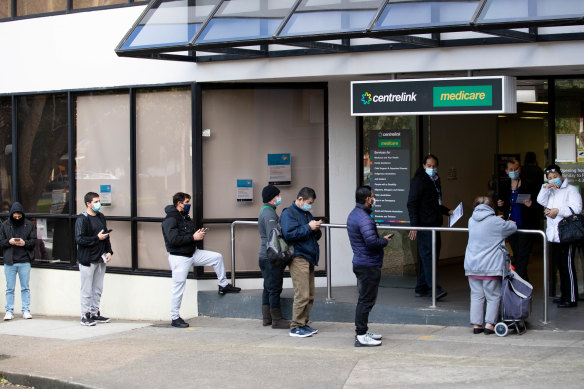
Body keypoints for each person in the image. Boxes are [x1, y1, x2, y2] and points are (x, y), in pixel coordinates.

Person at [162, 192, 241, 328]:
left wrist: (198, 234)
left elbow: (187, 234)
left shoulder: (184, 217)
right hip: (179, 257)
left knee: (217, 257)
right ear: (179, 203)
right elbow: (173, 240)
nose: (189, 204)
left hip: (192, 253)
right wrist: (193, 237)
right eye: (187, 202)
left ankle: (223, 285)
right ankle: (175, 318)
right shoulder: (171, 219)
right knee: (178, 288)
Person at [347, 186, 392, 347]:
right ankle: (360, 335)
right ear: (367, 199)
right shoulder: (364, 218)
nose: (373, 199)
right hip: (368, 265)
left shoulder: (354, 214)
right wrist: (385, 241)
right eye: (372, 196)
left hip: (362, 262)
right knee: (366, 300)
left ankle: (363, 330)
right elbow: (372, 242)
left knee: (365, 299)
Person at [465, 196, 517, 335]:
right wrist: (505, 221)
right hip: (490, 266)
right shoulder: (496, 222)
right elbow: (512, 227)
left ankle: (477, 325)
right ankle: (489, 325)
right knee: (493, 296)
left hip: (472, 265)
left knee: (476, 295)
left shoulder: (471, 220)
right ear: (492, 207)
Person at [407, 154, 452, 300]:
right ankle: (434, 289)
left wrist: (446, 211)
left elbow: (435, 202)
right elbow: (412, 204)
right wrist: (414, 226)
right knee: (428, 257)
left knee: (432, 256)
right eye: (429, 166)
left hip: (434, 223)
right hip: (424, 225)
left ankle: (421, 287)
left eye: (434, 166)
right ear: (424, 166)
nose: (432, 169)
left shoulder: (435, 180)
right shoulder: (419, 181)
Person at [537, 164, 582, 308]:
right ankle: (564, 295)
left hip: (566, 233)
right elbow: (540, 201)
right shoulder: (550, 191)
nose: (553, 180)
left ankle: (571, 298)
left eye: (555, 177)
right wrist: (546, 188)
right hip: (554, 235)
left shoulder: (571, 190)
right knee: (560, 267)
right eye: (549, 178)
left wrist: (557, 210)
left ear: (561, 176)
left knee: (567, 266)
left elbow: (577, 209)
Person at [281, 187, 322, 338]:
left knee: (310, 294)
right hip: (298, 257)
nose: (310, 205)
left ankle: (304, 323)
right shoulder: (288, 213)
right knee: (302, 294)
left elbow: (311, 235)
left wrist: (316, 229)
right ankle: (296, 326)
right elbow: (289, 234)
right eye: (308, 202)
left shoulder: (306, 213)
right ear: (300, 199)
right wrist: (308, 227)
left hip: (309, 257)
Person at [496, 158, 541, 281]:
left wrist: (531, 204)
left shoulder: (529, 185)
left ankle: (518, 282)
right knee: (516, 253)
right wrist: (499, 204)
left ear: (520, 169)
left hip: (526, 224)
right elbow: (501, 203)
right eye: (511, 169)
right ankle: (523, 283)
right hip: (511, 224)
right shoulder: (504, 186)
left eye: (516, 169)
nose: (514, 171)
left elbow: (539, 203)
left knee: (523, 255)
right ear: (506, 171)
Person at [75, 192, 113, 326]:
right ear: (88, 204)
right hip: (87, 259)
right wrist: (96, 238)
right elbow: (79, 239)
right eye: (95, 202)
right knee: (86, 289)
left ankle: (95, 313)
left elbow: (106, 235)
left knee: (97, 288)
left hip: (100, 258)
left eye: (99, 201)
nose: (98, 204)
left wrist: (109, 251)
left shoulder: (101, 217)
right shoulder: (82, 219)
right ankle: (85, 315)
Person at [258, 185, 290, 329]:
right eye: (278, 195)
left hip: (264, 255)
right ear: (273, 197)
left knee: (268, 286)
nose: (279, 198)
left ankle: (266, 318)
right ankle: (277, 319)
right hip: (271, 256)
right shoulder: (269, 214)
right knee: (275, 288)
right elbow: (274, 236)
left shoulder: (265, 210)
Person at [0, 202, 36, 320]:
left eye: (19, 216)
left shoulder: (29, 225)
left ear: (22, 215)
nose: (17, 218)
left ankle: (26, 310)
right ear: (11, 215)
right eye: (15, 216)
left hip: (24, 260)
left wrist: (24, 243)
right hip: (10, 261)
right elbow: (1, 241)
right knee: (10, 288)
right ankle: (9, 311)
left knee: (25, 287)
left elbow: (33, 241)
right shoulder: (5, 225)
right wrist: (8, 242)